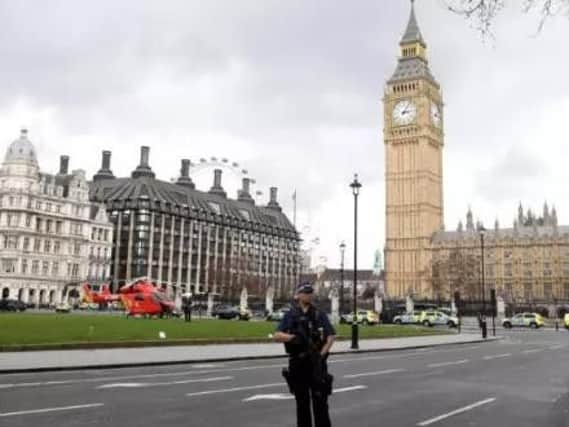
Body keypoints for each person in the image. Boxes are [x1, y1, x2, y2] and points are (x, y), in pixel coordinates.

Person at [274, 283, 336, 427]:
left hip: (316, 364)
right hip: (298, 363)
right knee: (302, 404)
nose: (309, 295)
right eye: (306, 292)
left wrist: (321, 355)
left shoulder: (319, 314)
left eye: (310, 292)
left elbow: (331, 336)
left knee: (320, 403)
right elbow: (277, 335)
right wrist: (292, 338)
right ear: (298, 295)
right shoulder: (291, 314)